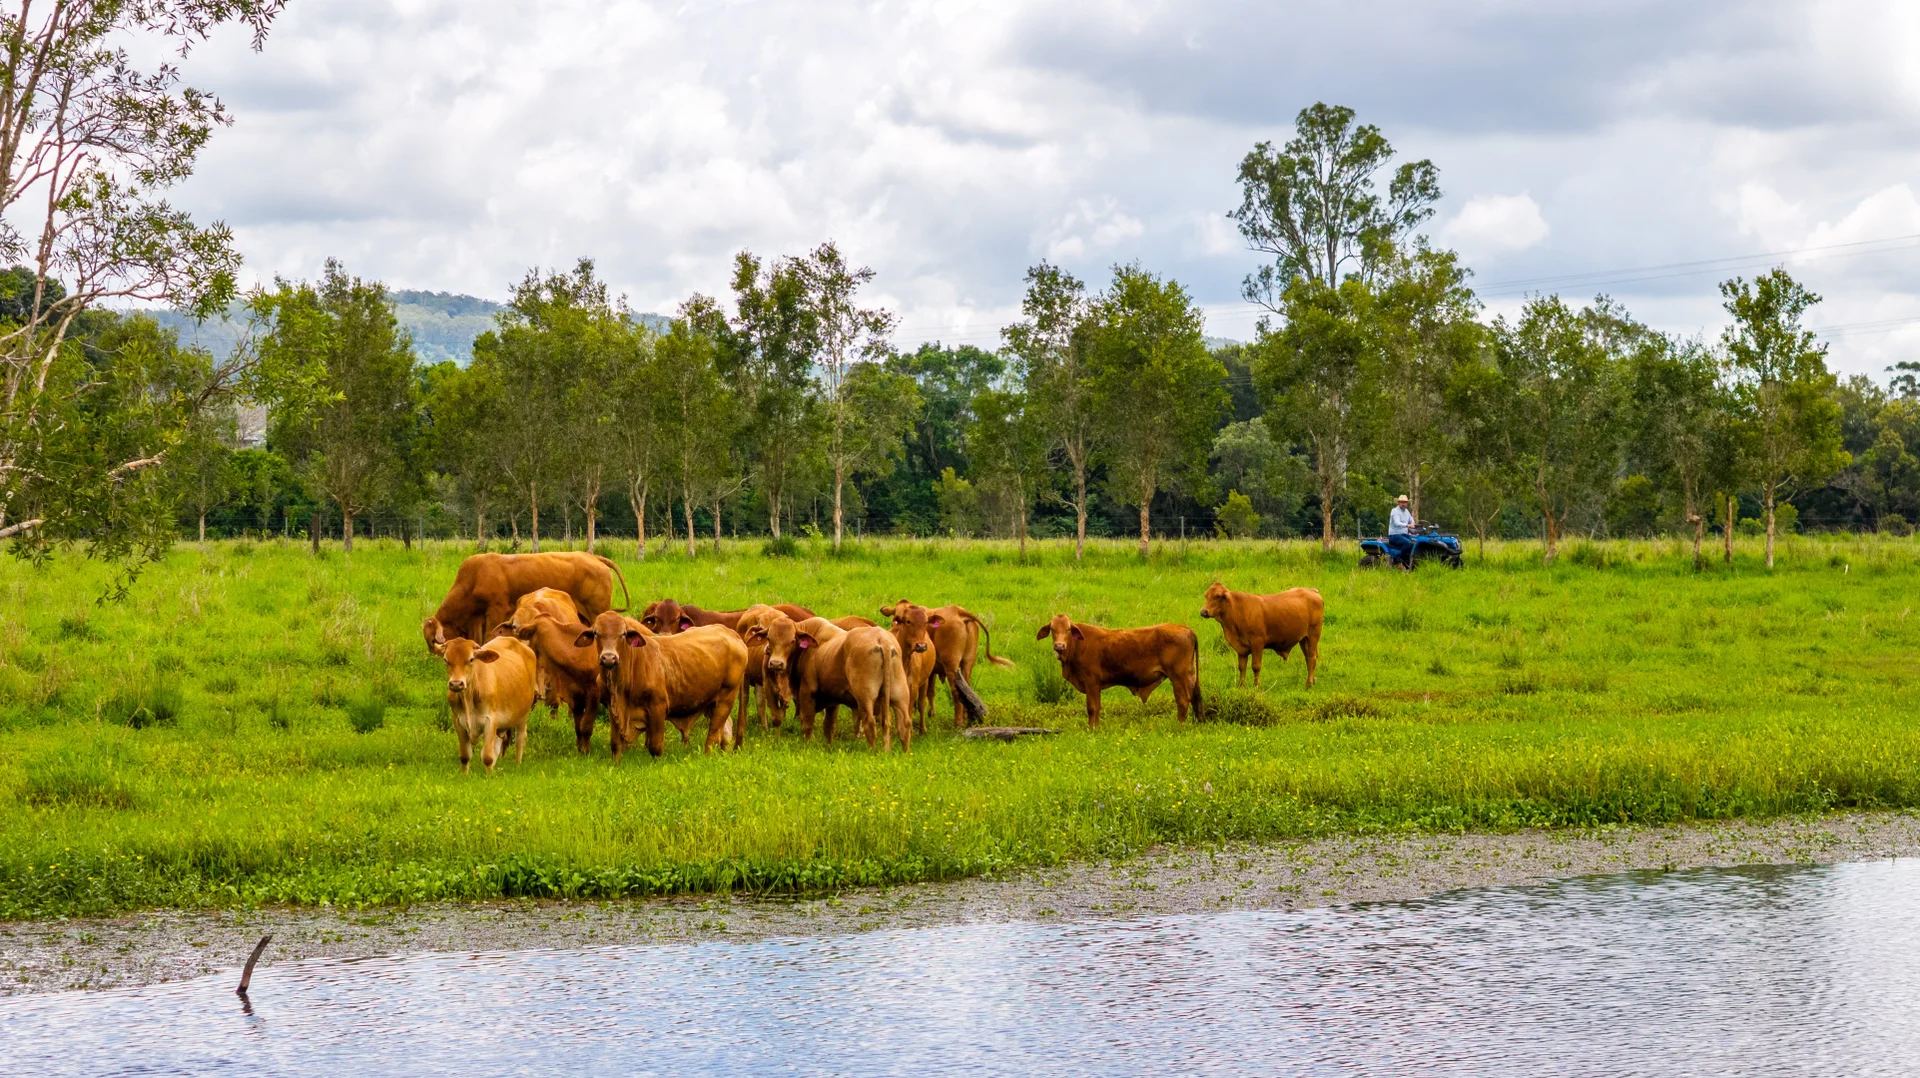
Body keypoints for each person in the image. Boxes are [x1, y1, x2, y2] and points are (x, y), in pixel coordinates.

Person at [1387, 494, 1415, 567]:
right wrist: (1408, 525)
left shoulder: (1407, 512)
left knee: (1415, 543)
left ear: (1407, 503)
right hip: (1394, 535)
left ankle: (1409, 561)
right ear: (1398, 503)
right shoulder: (1394, 511)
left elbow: (1412, 521)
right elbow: (1397, 523)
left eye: (1405, 502)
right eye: (1402, 502)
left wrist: (1415, 526)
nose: (1403, 504)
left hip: (1404, 534)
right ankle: (1398, 560)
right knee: (1408, 543)